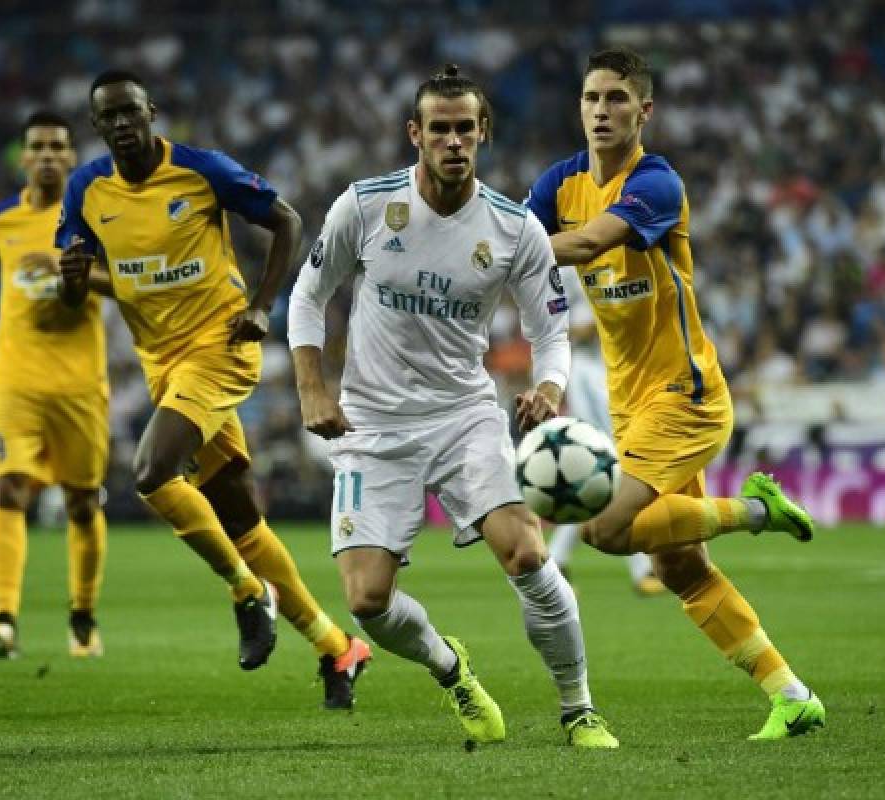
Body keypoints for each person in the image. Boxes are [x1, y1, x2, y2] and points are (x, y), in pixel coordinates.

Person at [288, 65, 617, 748]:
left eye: (466, 128)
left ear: (483, 133)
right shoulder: (365, 206)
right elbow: (307, 298)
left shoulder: (513, 227)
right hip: (371, 422)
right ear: (416, 134)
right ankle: (452, 670)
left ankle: (578, 706)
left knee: (526, 552)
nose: (454, 140)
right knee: (366, 601)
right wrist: (313, 389)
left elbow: (549, 331)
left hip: (463, 415)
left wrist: (549, 388)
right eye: (439, 128)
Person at [526, 47, 825, 740]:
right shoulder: (560, 181)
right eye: (592, 98)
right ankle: (792, 694)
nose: (602, 111)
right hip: (633, 405)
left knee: (604, 528)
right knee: (681, 569)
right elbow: (518, 230)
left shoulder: (656, 185)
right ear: (579, 105)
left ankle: (757, 510)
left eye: (617, 100)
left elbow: (586, 243)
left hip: (684, 397)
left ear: (644, 111)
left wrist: (502, 249)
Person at [56, 70, 370, 708]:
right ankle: (339, 648)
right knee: (239, 515)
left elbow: (286, 221)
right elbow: (75, 292)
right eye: (108, 116)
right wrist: (69, 277)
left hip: (221, 347)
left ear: (152, 113)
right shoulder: (86, 189)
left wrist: (261, 306)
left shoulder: (202, 171)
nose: (121, 124)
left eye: (130, 112)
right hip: (161, 363)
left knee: (150, 472)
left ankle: (246, 591)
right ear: (96, 126)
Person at [0, 111, 108, 659]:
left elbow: (127, 285)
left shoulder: (95, 216)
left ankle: (83, 616)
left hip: (79, 384)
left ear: (71, 157)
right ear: (23, 158)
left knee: (83, 504)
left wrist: (75, 272)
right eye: (37, 146)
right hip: (13, 378)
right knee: (7, 489)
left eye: (57, 147)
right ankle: (4, 620)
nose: (47, 155)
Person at [547, 270, 663, 596]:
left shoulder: (604, 253)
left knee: (599, 475)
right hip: (587, 372)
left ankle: (555, 559)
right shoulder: (575, 263)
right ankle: (642, 568)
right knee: (612, 461)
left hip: (611, 371)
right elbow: (570, 323)